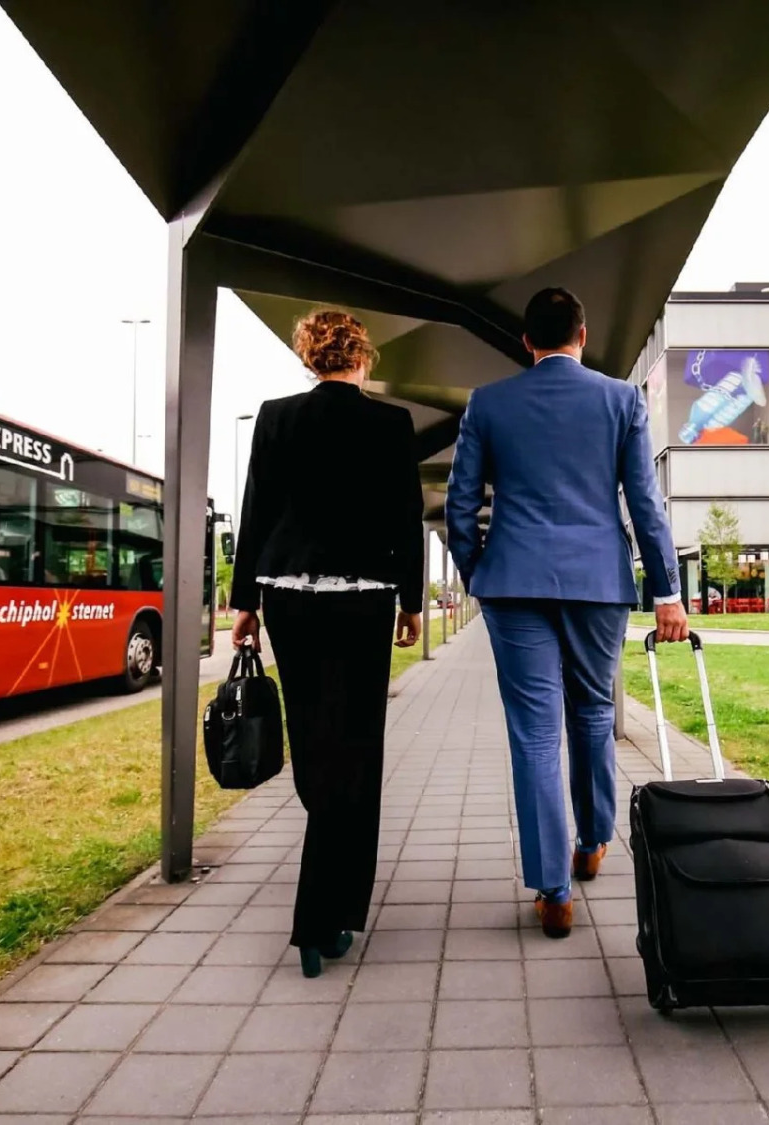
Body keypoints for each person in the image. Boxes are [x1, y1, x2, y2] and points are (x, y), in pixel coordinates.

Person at [446, 287, 689, 938]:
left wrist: (479, 572)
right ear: (583, 336)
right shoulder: (619, 400)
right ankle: (592, 842)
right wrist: (668, 593)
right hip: (598, 583)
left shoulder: (489, 403)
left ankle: (553, 889)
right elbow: (645, 502)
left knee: (533, 732)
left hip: (513, 581)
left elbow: (459, 503)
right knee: (592, 713)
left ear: (527, 342)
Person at [230, 309, 425, 977]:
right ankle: (328, 914)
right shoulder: (391, 423)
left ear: (309, 358)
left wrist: (243, 604)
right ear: (362, 357)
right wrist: (411, 601)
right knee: (358, 747)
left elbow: (255, 508)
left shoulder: (275, 416)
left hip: (289, 592)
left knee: (315, 741)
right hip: (365, 595)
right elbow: (407, 513)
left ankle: (331, 908)